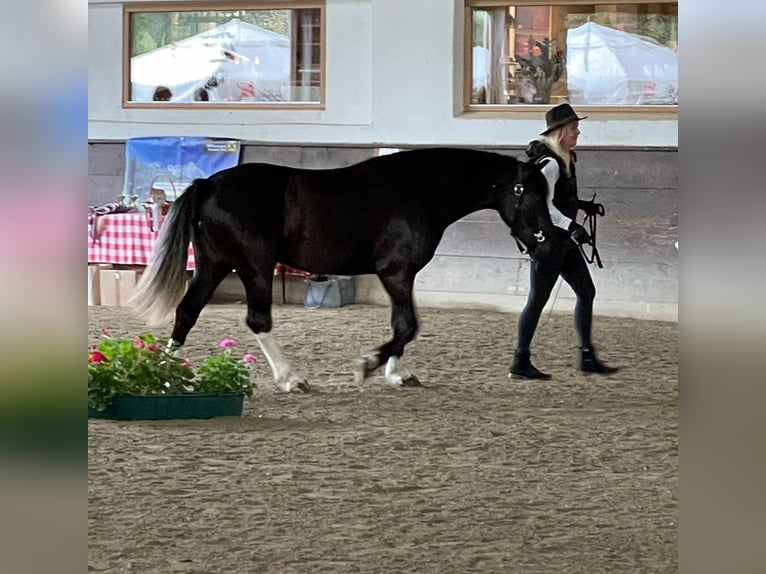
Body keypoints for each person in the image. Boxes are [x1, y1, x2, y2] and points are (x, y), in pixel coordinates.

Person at [509, 103, 619, 379]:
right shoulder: (549, 164)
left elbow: (558, 198)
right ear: (559, 133)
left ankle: (587, 356)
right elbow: (541, 206)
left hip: (563, 240)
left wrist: (581, 205)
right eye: (573, 129)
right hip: (549, 241)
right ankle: (520, 361)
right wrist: (572, 225)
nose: (577, 133)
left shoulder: (565, 159)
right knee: (537, 301)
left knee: (586, 292)